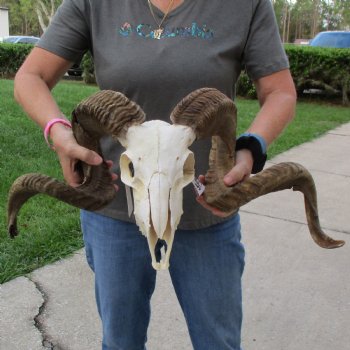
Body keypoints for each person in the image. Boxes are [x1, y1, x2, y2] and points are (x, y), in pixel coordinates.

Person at [13, 0, 296, 349]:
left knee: (218, 342)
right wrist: (58, 132)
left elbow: (280, 91)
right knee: (121, 342)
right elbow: (31, 76)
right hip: (116, 206)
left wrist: (251, 146)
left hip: (206, 208)